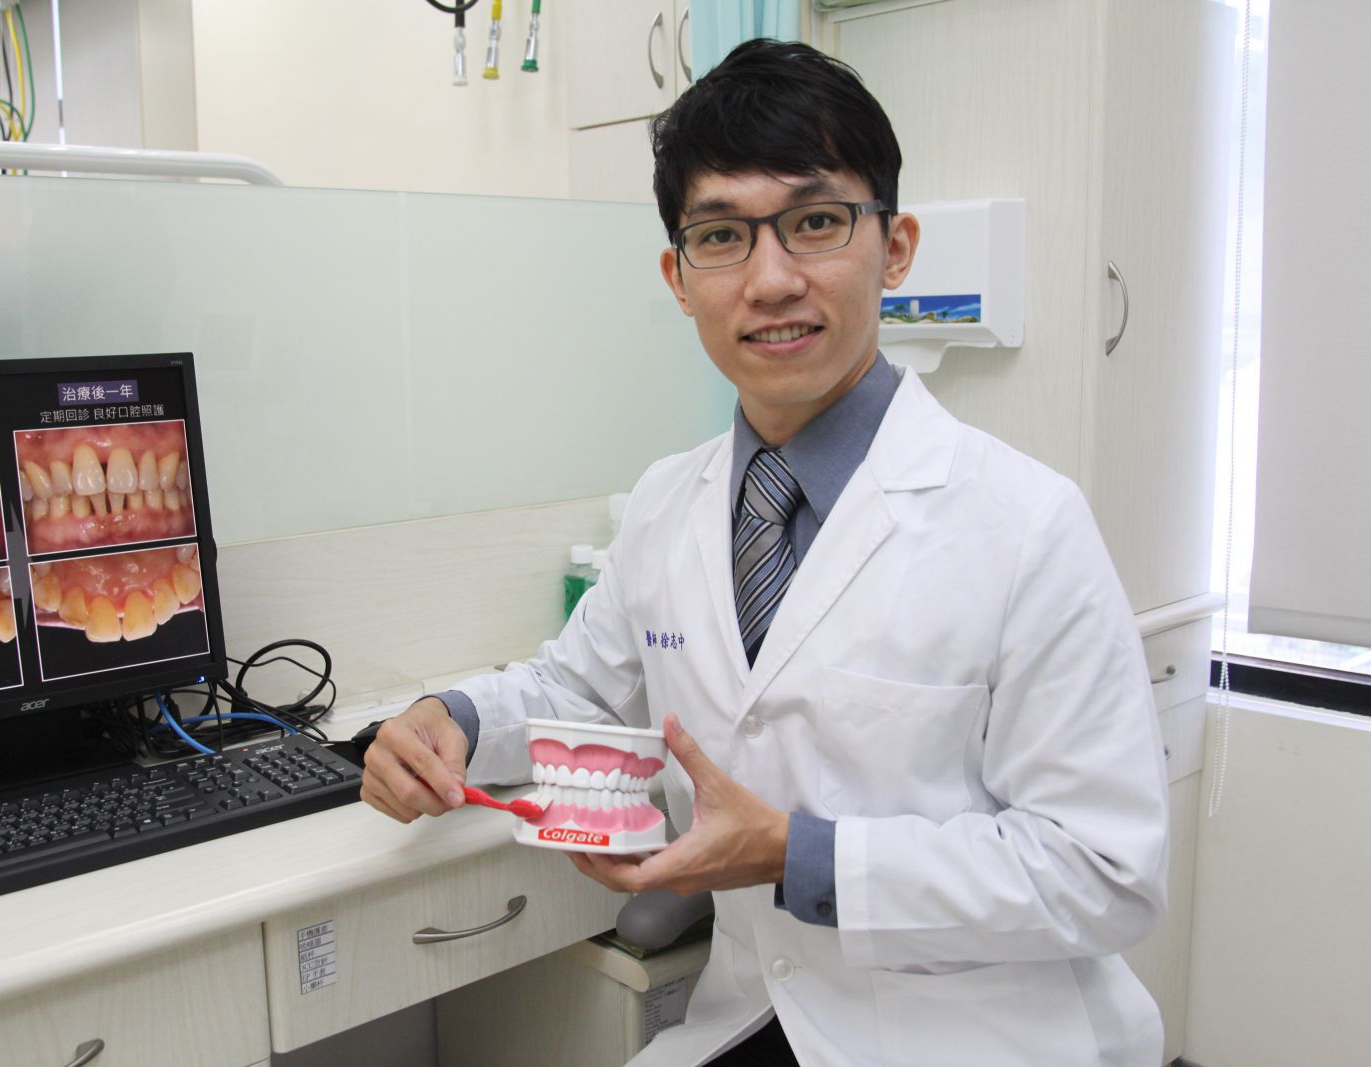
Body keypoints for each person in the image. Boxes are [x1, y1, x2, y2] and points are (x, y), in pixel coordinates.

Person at [360, 38, 1169, 1067]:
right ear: (678, 276)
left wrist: (799, 855)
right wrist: (453, 719)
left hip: (976, 1035)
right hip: (757, 1012)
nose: (772, 279)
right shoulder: (669, 501)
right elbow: (578, 688)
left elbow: (1104, 871)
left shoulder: (1026, 524)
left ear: (896, 247)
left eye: (816, 222)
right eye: (721, 236)